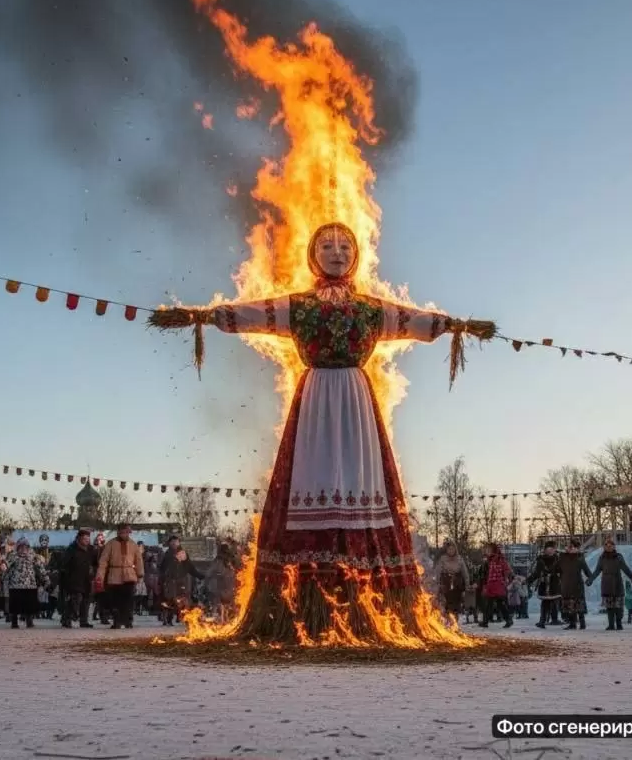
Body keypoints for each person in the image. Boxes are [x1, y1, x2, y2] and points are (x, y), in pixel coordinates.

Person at [150, 221, 496, 641]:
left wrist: (456, 326)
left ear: (356, 256)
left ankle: (372, 602)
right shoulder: (299, 306)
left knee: (361, 481)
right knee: (309, 477)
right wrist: (204, 316)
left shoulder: (371, 309)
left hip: (356, 399)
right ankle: (298, 605)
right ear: (313, 255)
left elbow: (413, 320)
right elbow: (255, 313)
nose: (337, 253)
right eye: (328, 246)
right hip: (315, 397)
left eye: (345, 246)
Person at [96, 524, 144, 629]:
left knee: (128, 600)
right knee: (115, 601)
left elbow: (138, 560)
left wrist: (140, 574)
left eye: (127, 532)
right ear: (118, 532)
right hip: (114, 576)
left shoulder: (133, 545)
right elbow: (103, 561)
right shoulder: (111, 544)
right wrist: (100, 576)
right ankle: (117, 621)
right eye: (123, 532)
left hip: (129, 575)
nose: (125, 534)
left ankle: (128, 620)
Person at [587, 537, 632, 631]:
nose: (608, 547)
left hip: (617, 583)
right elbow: (597, 570)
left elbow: (625, 568)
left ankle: (619, 624)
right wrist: (590, 579)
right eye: (606, 545)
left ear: (614, 546)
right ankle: (611, 624)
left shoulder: (619, 557)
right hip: (607, 584)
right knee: (609, 606)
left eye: (610, 545)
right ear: (604, 547)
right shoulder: (602, 558)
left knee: (618, 606)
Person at [159, 535, 204, 626]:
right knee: (171, 599)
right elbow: (162, 568)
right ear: (170, 543)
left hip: (182, 580)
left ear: (179, 543)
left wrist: (199, 575)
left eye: (176, 542)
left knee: (184, 600)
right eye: (173, 542)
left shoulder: (182, 553)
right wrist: (161, 580)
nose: (174, 544)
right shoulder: (167, 554)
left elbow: (189, 567)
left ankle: (185, 618)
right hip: (170, 581)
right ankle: (169, 618)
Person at [4, 538, 46, 628]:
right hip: (16, 585)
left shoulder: (33, 556)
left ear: (28, 547)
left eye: (25, 547)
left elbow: (40, 567)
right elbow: (6, 566)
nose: (23, 549)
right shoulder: (13, 556)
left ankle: (29, 622)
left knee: (29, 604)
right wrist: (3, 569)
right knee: (15, 604)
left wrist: (45, 578)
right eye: (21, 547)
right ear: (18, 547)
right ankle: (14, 622)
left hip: (30, 585)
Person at [62, 529, 95, 629]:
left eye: (88, 538)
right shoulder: (72, 549)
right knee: (75, 600)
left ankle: (83, 621)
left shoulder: (91, 549)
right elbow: (65, 564)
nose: (87, 541)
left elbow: (95, 562)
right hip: (74, 579)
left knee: (86, 600)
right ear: (79, 538)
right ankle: (67, 619)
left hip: (87, 579)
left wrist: (93, 572)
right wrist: (66, 577)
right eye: (84, 538)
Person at [476, 543, 513, 628]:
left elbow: (507, 570)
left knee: (497, 604)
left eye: (488, 550)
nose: (487, 551)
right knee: (491, 604)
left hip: (498, 585)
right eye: (486, 550)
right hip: (491, 585)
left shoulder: (499, 559)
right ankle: (487, 621)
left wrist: (505, 580)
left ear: (493, 550)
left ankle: (507, 619)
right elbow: (486, 574)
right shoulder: (489, 560)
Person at [556, 539, 591, 630]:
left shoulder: (580, 557)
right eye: (568, 546)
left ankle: (582, 623)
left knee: (579, 605)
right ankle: (572, 624)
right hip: (566, 585)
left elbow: (587, 570)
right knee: (569, 605)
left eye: (572, 546)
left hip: (577, 585)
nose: (569, 548)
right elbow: (556, 569)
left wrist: (590, 579)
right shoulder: (562, 557)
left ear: (576, 548)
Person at [527, 541, 561, 629]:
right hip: (544, 583)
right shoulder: (541, 560)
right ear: (545, 550)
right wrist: (528, 580)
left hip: (554, 584)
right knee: (545, 603)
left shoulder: (558, 559)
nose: (550, 551)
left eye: (552, 549)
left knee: (555, 602)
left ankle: (554, 619)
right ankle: (542, 621)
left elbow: (562, 571)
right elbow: (536, 573)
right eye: (548, 549)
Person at [434, 541, 470, 618]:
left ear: (455, 549)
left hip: (457, 584)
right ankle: (448, 620)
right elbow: (438, 571)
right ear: (447, 550)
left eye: (452, 549)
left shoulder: (459, 559)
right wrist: (437, 584)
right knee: (447, 604)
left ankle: (455, 620)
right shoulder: (443, 559)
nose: (451, 551)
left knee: (456, 605)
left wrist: (467, 585)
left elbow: (465, 573)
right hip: (446, 583)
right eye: (449, 549)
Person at [205, 543, 238, 623]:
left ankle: (219, 618)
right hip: (232, 587)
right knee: (230, 603)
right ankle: (231, 619)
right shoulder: (232, 560)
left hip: (221, 587)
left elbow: (208, 573)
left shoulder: (218, 561)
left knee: (218, 602)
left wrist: (208, 579)